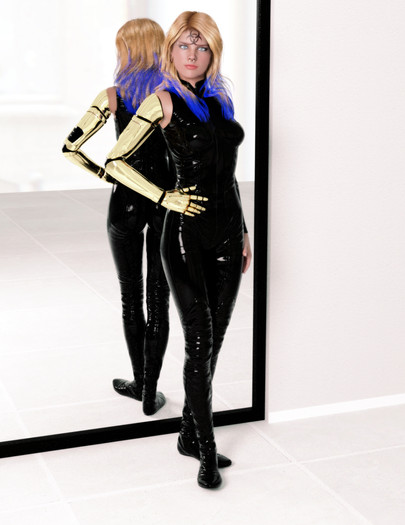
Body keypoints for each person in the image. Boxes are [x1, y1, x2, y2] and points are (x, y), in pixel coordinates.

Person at [104, 11, 252, 489]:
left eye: (202, 46)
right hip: (185, 235)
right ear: (170, 51)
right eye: (184, 45)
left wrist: (244, 231)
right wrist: (164, 197)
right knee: (199, 343)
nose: (193, 54)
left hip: (228, 233)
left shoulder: (220, 100)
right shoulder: (161, 100)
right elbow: (115, 160)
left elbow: (228, 174)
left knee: (216, 342)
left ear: (213, 53)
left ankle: (190, 433)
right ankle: (205, 452)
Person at [62, 19, 182, 415]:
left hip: (125, 201)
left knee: (131, 298)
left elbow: (70, 147)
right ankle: (151, 394)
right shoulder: (173, 96)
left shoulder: (112, 97)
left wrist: (104, 173)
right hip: (164, 201)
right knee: (159, 300)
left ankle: (140, 384)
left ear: (126, 50)